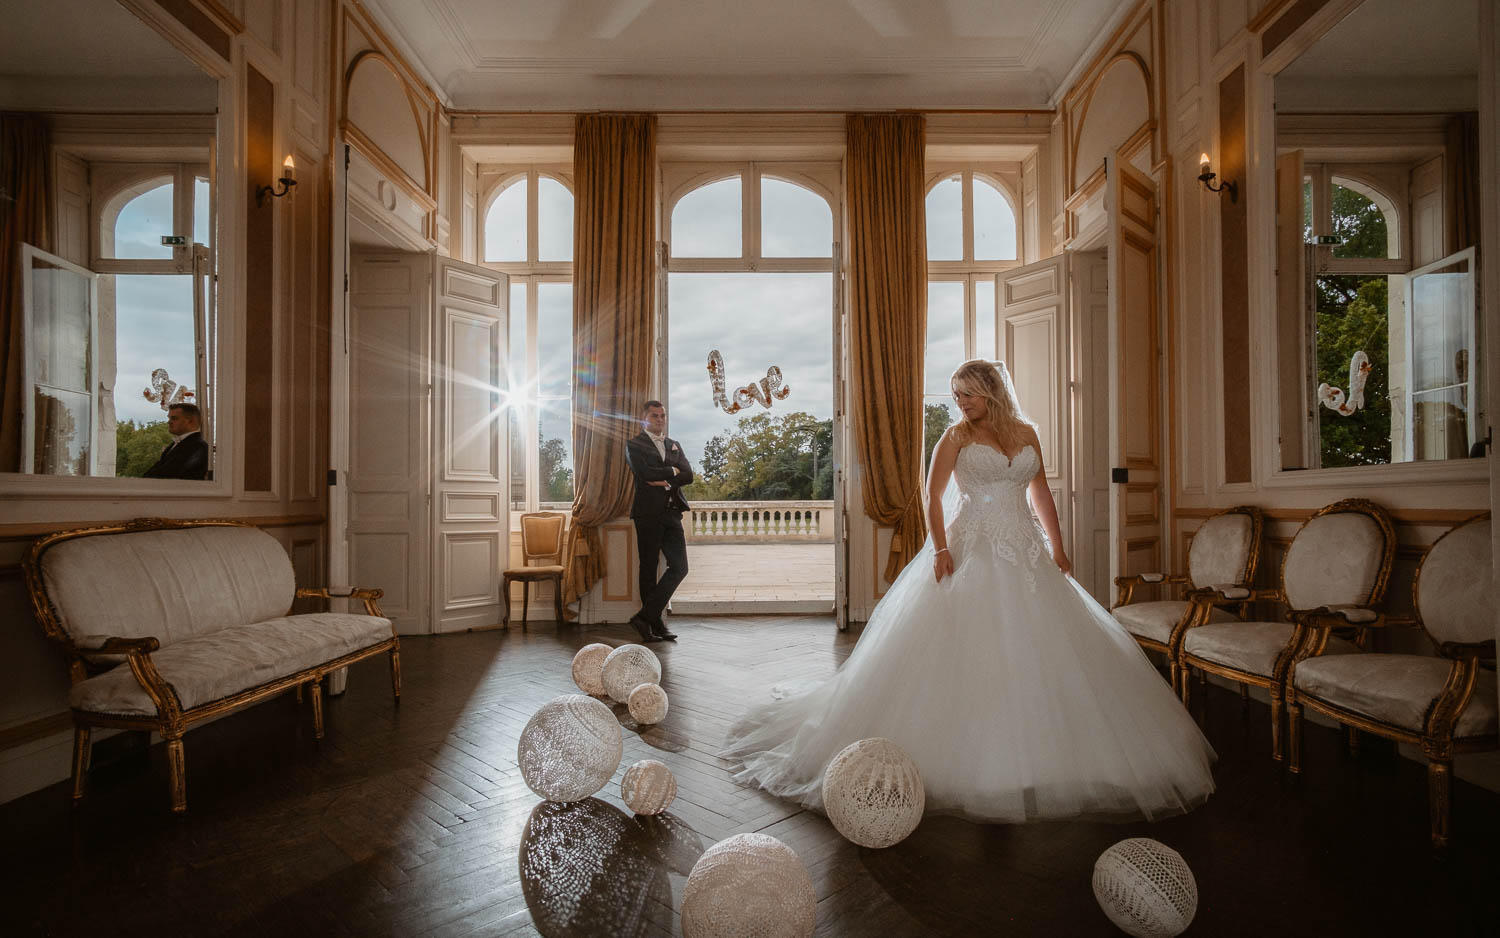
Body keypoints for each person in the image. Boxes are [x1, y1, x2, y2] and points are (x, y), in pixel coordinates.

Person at [723, 360, 1215, 822]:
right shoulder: (955, 436)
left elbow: (1040, 493)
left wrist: (1059, 548)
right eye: (956, 395)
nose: (960, 402)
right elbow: (932, 495)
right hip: (971, 545)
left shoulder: (1026, 434)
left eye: (968, 394)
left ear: (991, 391)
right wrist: (940, 548)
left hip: (1026, 549)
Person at [626, 400, 693, 643]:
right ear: (644, 418)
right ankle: (654, 622)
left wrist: (667, 479)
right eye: (654, 416)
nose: (660, 419)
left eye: (662, 415)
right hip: (647, 514)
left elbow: (689, 475)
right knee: (648, 567)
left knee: (680, 567)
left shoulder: (673, 445)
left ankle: (645, 617)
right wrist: (672, 472)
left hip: (672, 513)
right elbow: (644, 474)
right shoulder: (634, 445)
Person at [143, 402, 209, 480]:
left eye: (174, 418)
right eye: (169, 418)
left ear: (191, 421)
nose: (169, 422)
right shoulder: (174, 444)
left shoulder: (199, 446)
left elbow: (169, 474)